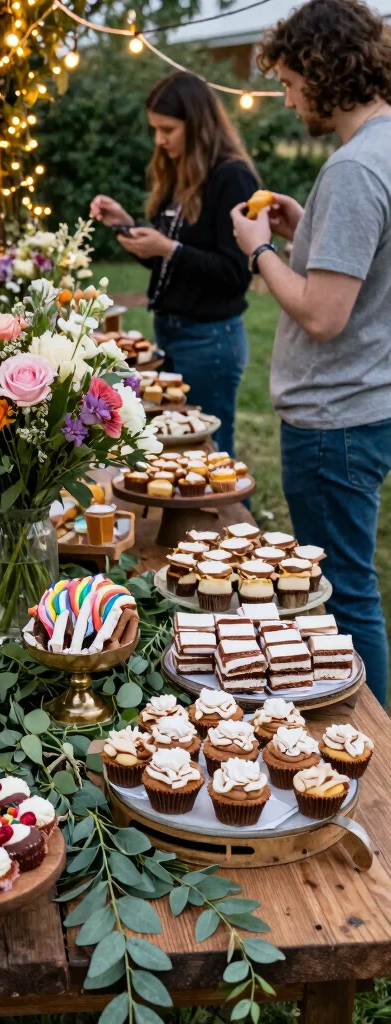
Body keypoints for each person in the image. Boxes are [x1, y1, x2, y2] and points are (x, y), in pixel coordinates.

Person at [231, 0, 391, 705]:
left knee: (342, 596)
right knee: (349, 587)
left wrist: (259, 249)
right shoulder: (381, 150)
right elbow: (359, 281)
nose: (288, 97)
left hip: (335, 420)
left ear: (326, 73)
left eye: (292, 81)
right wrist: (303, 234)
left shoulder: (355, 168)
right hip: (364, 400)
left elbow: (324, 315)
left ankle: (366, 748)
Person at [90, 72, 258, 456]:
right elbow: (173, 263)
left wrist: (168, 248)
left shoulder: (231, 178)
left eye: (167, 129)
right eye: (155, 129)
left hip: (210, 339)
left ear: (197, 124)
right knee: (174, 449)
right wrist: (126, 226)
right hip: (171, 334)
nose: (159, 140)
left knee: (210, 455)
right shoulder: (180, 172)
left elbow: (235, 273)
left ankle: (234, 519)